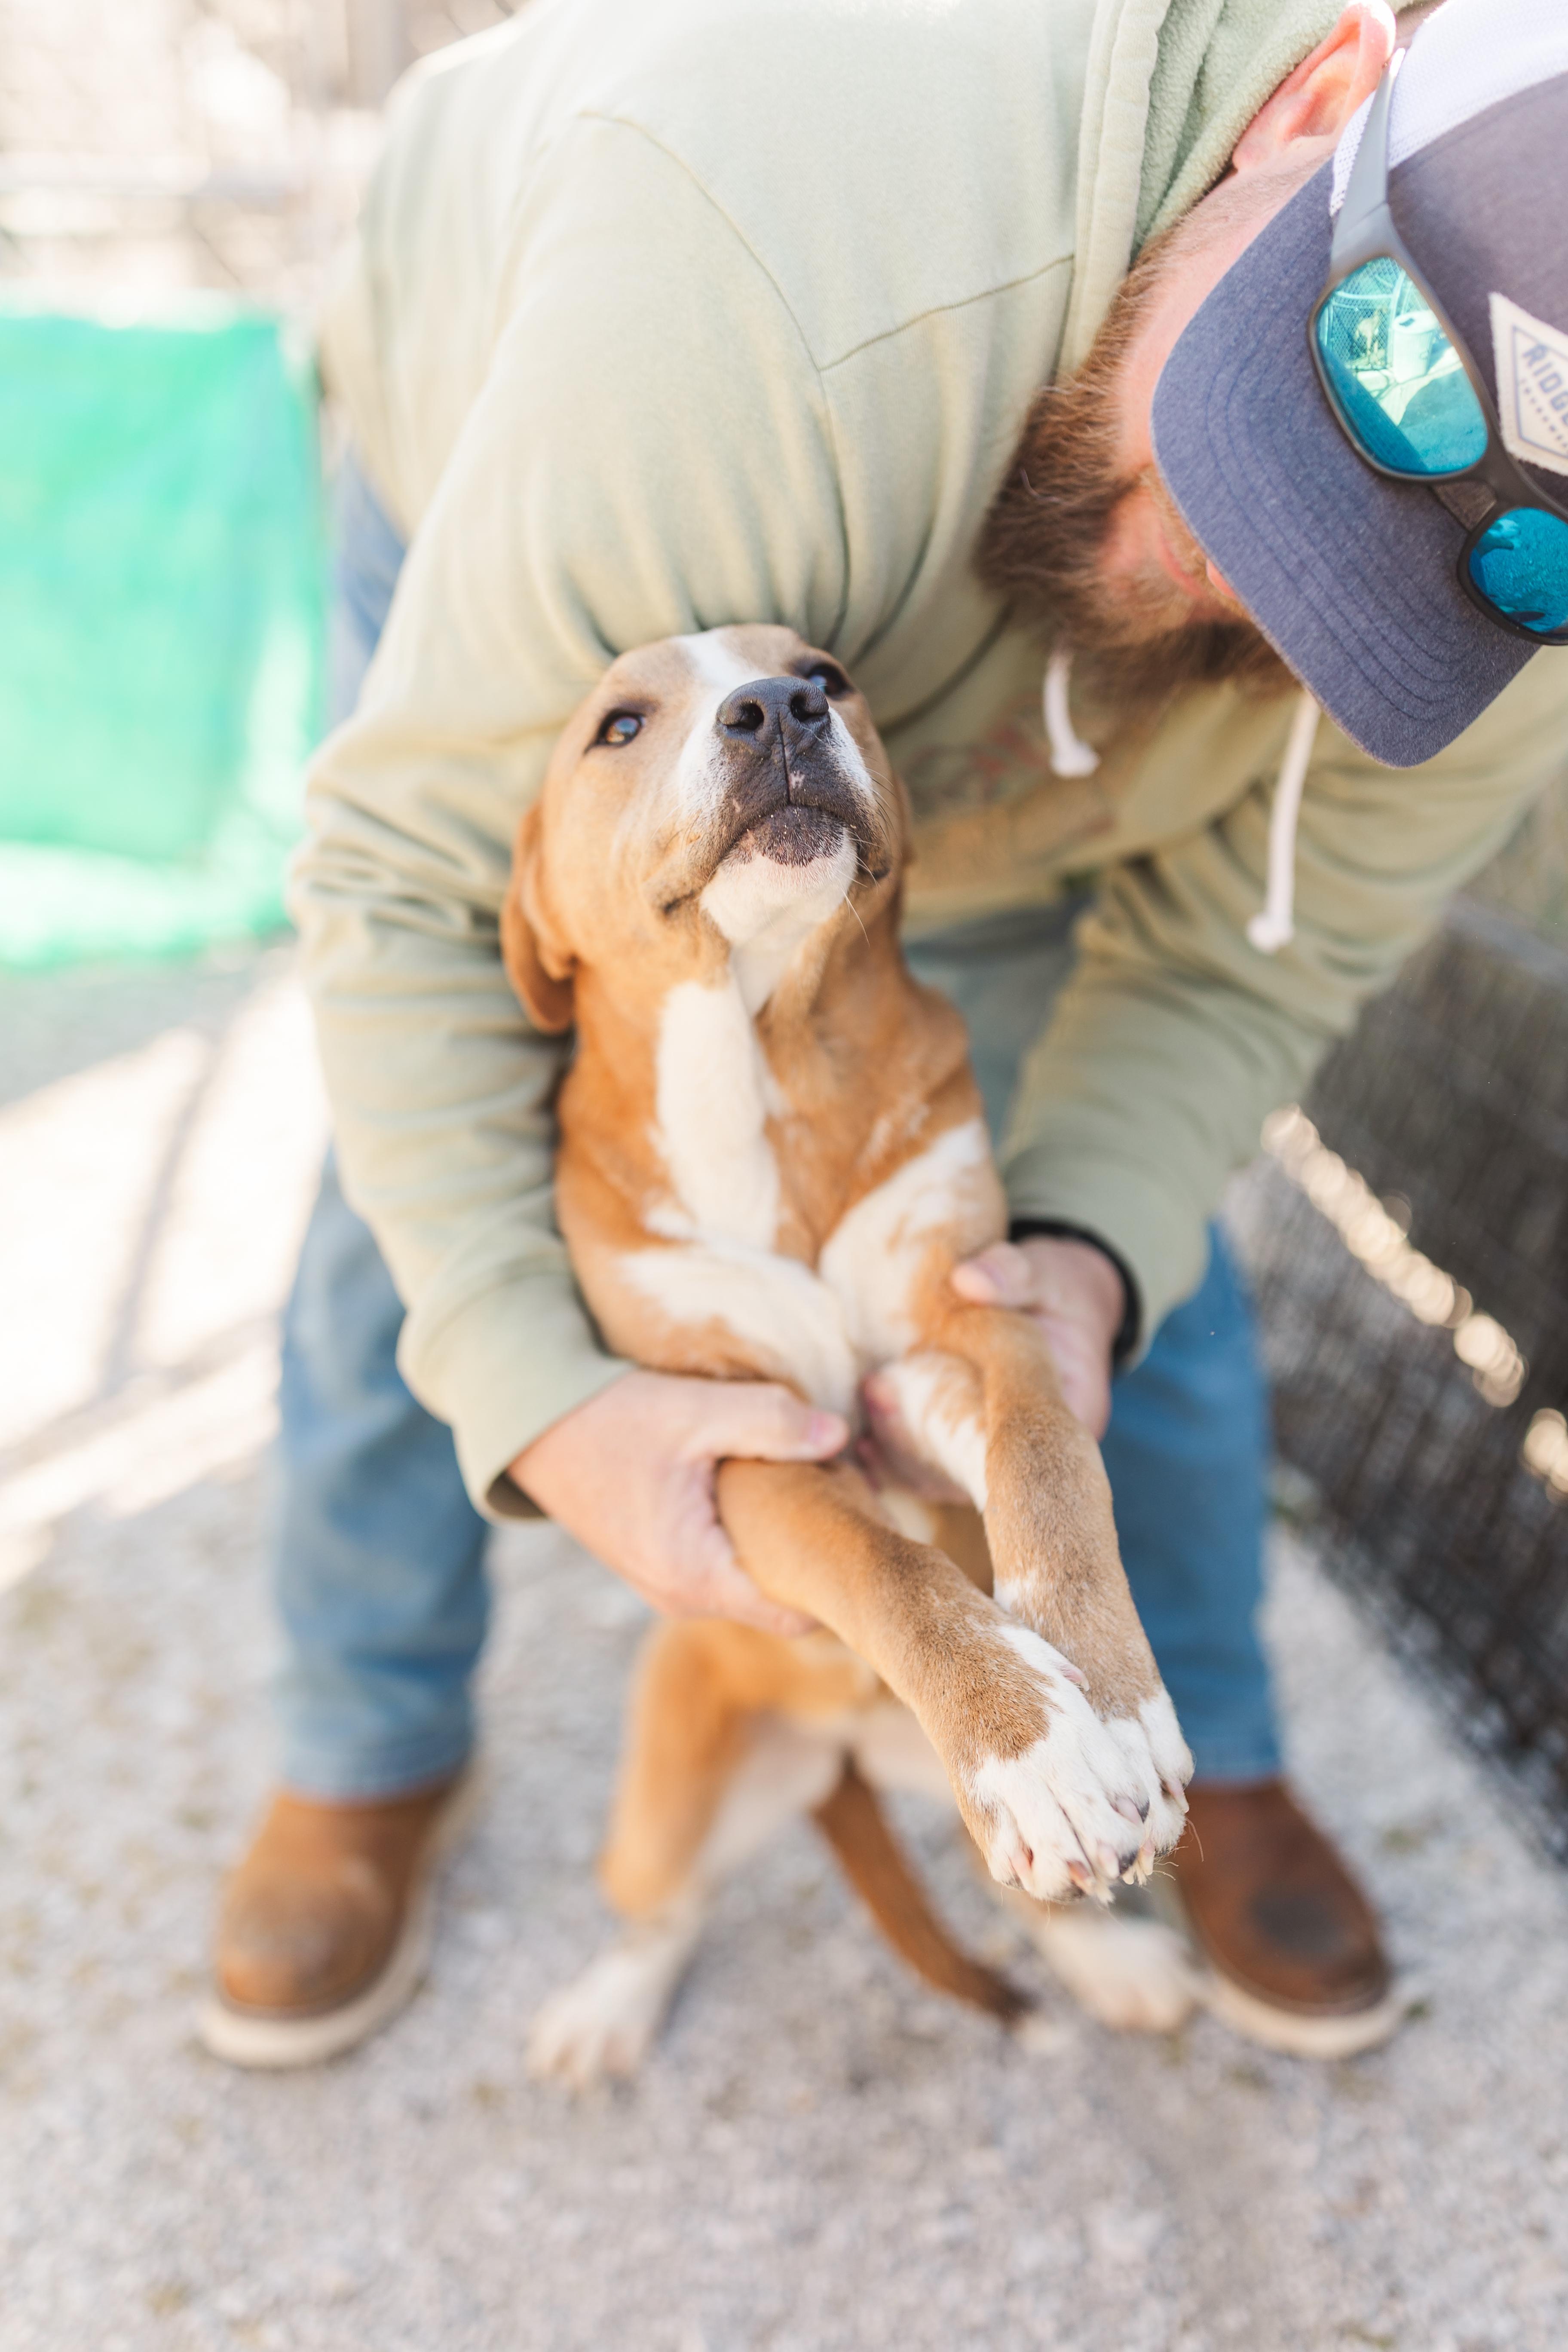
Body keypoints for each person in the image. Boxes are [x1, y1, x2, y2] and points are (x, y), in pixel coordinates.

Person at [202, 0, 1568, 2067]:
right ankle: (365, 1739)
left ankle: (1166, 1745)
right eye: (1310, 428)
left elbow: (1228, 980)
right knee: (415, 1194)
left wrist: (1084, 1258)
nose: (1251, 575)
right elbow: (399, 901)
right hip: (547, 404)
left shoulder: (1514, 635)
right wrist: (549, 1407)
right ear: (1315, 104)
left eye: (1405, 574)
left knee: (1102, 1249)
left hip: (945, 732)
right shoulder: (745, 283)